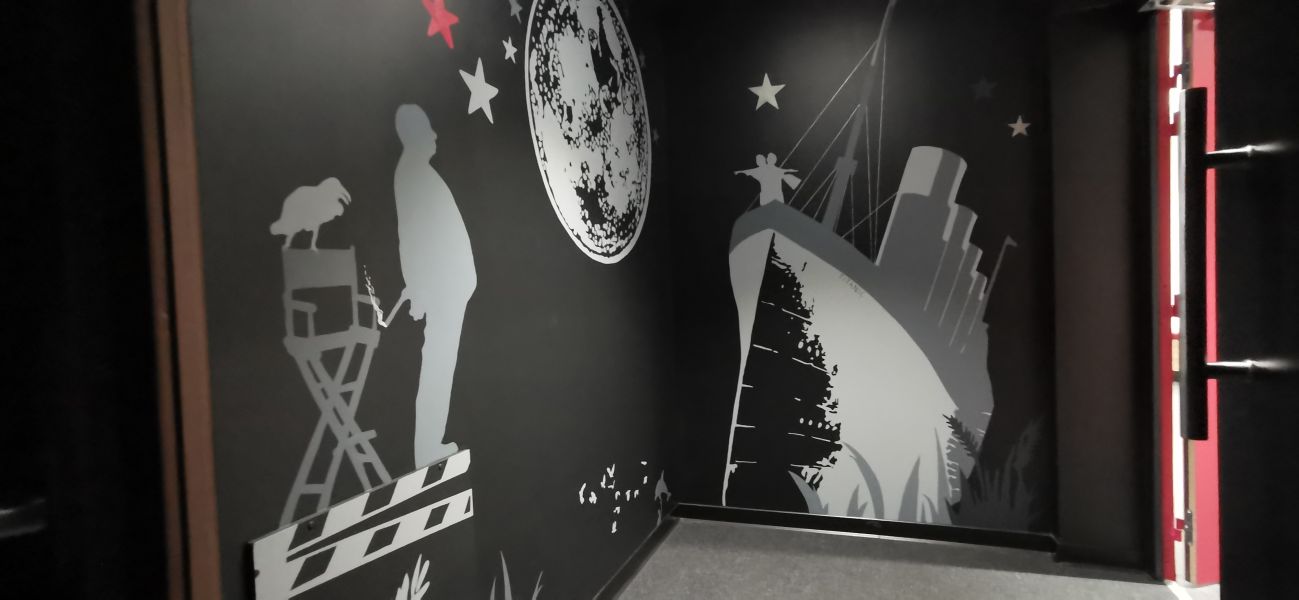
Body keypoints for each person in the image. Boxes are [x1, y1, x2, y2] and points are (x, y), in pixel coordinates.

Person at [389, 104, 477, 466]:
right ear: (414, 135)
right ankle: (427, 449)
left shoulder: (417, 174)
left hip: (447, 290)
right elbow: (411, 239)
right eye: (428, 130)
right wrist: (420, 290)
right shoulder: (412, 176)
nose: (435, 135)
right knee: (437, 367)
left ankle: (429, 445)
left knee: (440, 366)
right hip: (442, 291)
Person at [736, 153, 801, 206]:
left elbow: (750, 171)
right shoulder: (764, 169)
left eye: (769, 158)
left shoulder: (771, 169)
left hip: (773, 196)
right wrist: (740, 172)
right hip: (768, 196)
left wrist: (740, 172)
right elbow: (750, 171)